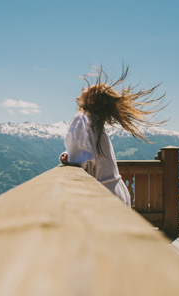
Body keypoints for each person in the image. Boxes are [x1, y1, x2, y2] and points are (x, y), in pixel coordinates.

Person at [59, 66, 166, 207]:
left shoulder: (82, 118)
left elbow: (80, 158)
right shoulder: (96, 122)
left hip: (102, 196)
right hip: (117, 191)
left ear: (91, 101)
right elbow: (87, 151)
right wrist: (68, 154)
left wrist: (69, 157)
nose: (84, 89)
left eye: (88, 90)